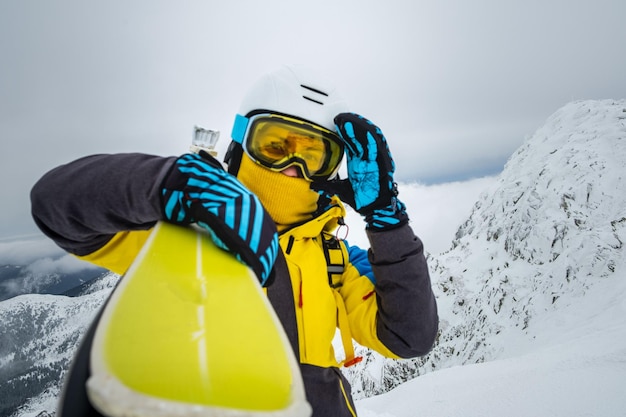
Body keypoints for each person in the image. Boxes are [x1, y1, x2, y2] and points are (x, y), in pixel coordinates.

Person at [31, 65, 438, 417]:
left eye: (313, 156)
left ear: (330, 171)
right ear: (241, 144)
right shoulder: (180, 232)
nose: (292, 169)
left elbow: (409, 336)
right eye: (275, 146)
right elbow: (55, 205)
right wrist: (163, 184)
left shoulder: (335, 259)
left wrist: (386, 220)